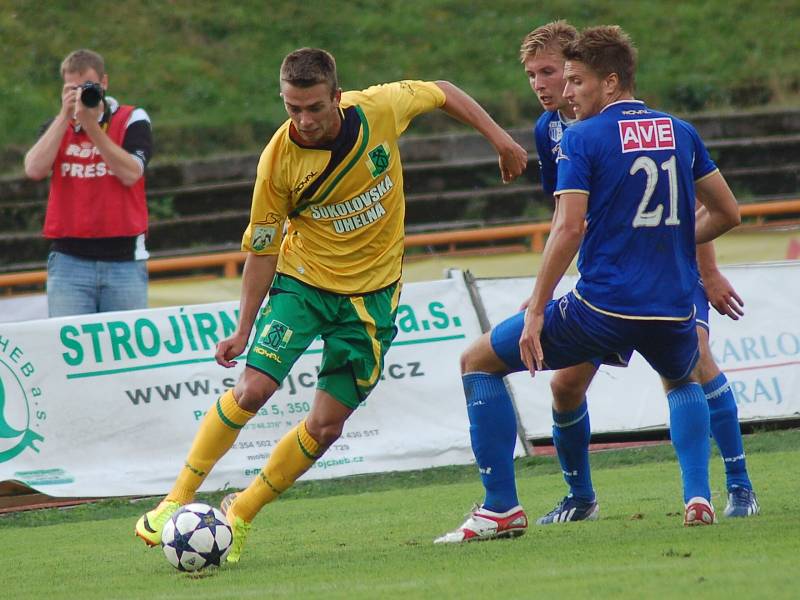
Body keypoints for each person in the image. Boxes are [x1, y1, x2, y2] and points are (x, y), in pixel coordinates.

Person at [134, 47, 528, 563]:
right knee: (252, 388)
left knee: (326, 425)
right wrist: (243, 327)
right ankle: (176, 498)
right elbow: (263, 249)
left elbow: (444, 91)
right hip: (304, 285)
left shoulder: (381, 108)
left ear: (337, 98)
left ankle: (242, 514)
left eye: (314, 107)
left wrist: (501, 140)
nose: (304, 120)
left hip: (371, 299)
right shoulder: (277, 160)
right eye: (293, 108)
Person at [435, 24, 742, 544]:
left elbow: (568, 225)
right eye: (545, 77)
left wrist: (537, 307)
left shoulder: (583, 134)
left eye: (567, 77)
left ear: (607, 81)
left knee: (477, 361)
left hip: (604, 299)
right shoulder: (677, 130)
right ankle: (695, 496)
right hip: (667, 299)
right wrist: (666, 245)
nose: (560, 89)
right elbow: (726, 211)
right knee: (680, 378)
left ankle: (500, 508)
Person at [523, 22, 759, 527]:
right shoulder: (550, 132)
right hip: (607, 277)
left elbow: (687, 200)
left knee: (698, 365)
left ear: (594, 74)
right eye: (534, 75)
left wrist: (708, 270)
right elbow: (570, 219)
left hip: (668, 270)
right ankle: (580, 497)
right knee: (565, 387)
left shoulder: (619, 125)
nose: (545, 85)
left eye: (553, 72)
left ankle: (739, 486)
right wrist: (551, 285)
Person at [24, 49, 152, 317]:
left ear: (103, 83)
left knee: (127, 353)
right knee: (69, 353)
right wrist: (64, 117)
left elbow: (131, 173)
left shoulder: (131, 119)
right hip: (69, 260)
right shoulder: (57, 126)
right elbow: (34, 169)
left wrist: (91, 125)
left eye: (87, 87)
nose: (81, 94)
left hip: (124, 260)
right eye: (73, 87)